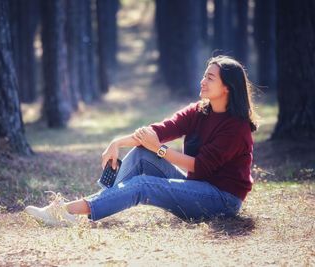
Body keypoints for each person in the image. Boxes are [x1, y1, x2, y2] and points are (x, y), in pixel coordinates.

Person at [25, 55, 259, 226]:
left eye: (210, 77)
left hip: (221, 199)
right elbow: (160, 130)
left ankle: (66, 212)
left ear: (227, 87)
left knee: (144, 184)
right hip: (197, 187)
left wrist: (160, 150)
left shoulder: (236, 127)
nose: (202, 81)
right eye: (204, 75)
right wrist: (117, 143)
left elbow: (201, 166)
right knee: (140, 155)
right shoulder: (200, 111)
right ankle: (84, 208)